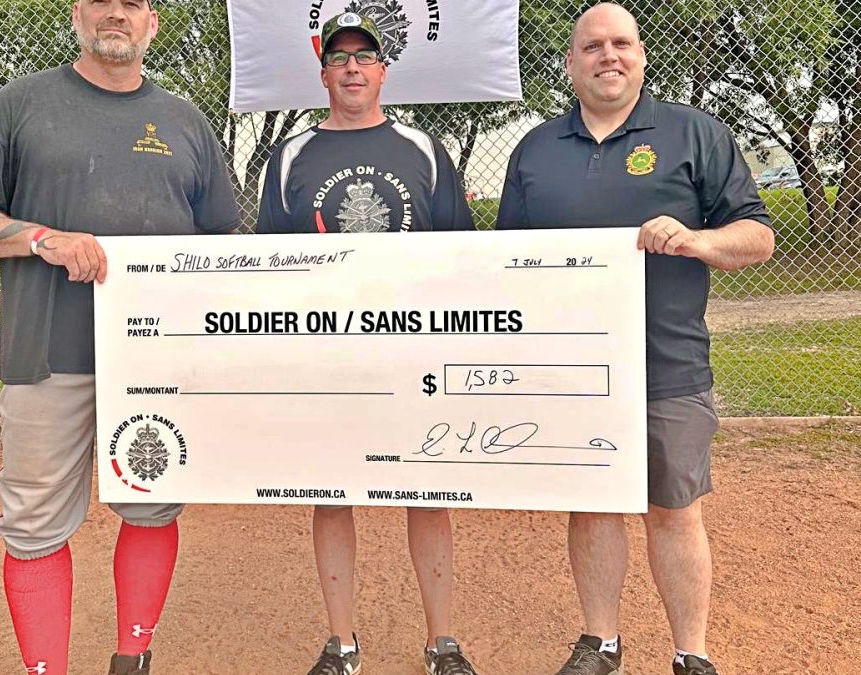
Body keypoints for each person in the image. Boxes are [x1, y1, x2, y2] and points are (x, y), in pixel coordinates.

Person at [0, 1, 240, 674]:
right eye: (102, 1)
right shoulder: (21, 105)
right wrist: (42, 238)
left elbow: (222, 241)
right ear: (78, 14)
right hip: (48, 353)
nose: (115, 15)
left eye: (131, 4)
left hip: (157, 360)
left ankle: (133, 657)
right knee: (35, 525)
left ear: (151, 22)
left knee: (152, 505)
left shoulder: (187, 122)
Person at [497, 4, 774, 675]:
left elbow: (758, 236)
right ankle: (601, 642)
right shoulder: (535, 149)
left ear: (642, 56)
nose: (608, 56)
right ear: (570, 64)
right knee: (591, 506)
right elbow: (505, 263)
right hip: (574, 371)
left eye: (622, 43)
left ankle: (691, 652)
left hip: (667, 364)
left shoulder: (693, 133)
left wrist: (699, 239)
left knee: (672, 509)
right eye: (592, 47)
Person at [257, 12, 478, 675]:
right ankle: (342, 642)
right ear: (323, 72)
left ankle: (443, 642)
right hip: (329, 354)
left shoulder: (421, 147)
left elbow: (459, 253)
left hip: (413, 352)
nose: (353, 67)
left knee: (428, 490)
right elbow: (272, 263)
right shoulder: (291, 155)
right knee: (331, 492)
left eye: (366, 56)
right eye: (340, 57)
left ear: (384, 69)